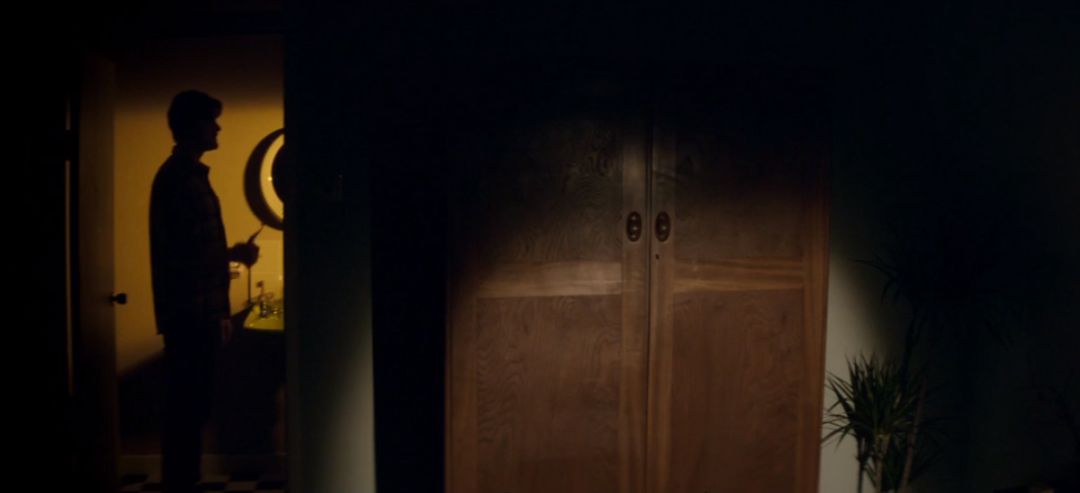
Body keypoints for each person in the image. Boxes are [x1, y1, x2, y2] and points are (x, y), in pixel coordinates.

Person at [150, 90, 259, 493]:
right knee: (187, 407)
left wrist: (221, 307)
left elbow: (193, 250)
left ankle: (183, 481)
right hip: (191, 313)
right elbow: (188, 255)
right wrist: (233, 258)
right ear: (192, 125)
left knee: (190, 407)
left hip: (194, 312)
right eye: (211, 120)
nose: (218, 127)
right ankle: (181, 483)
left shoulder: (184, 176)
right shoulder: (182, 179)